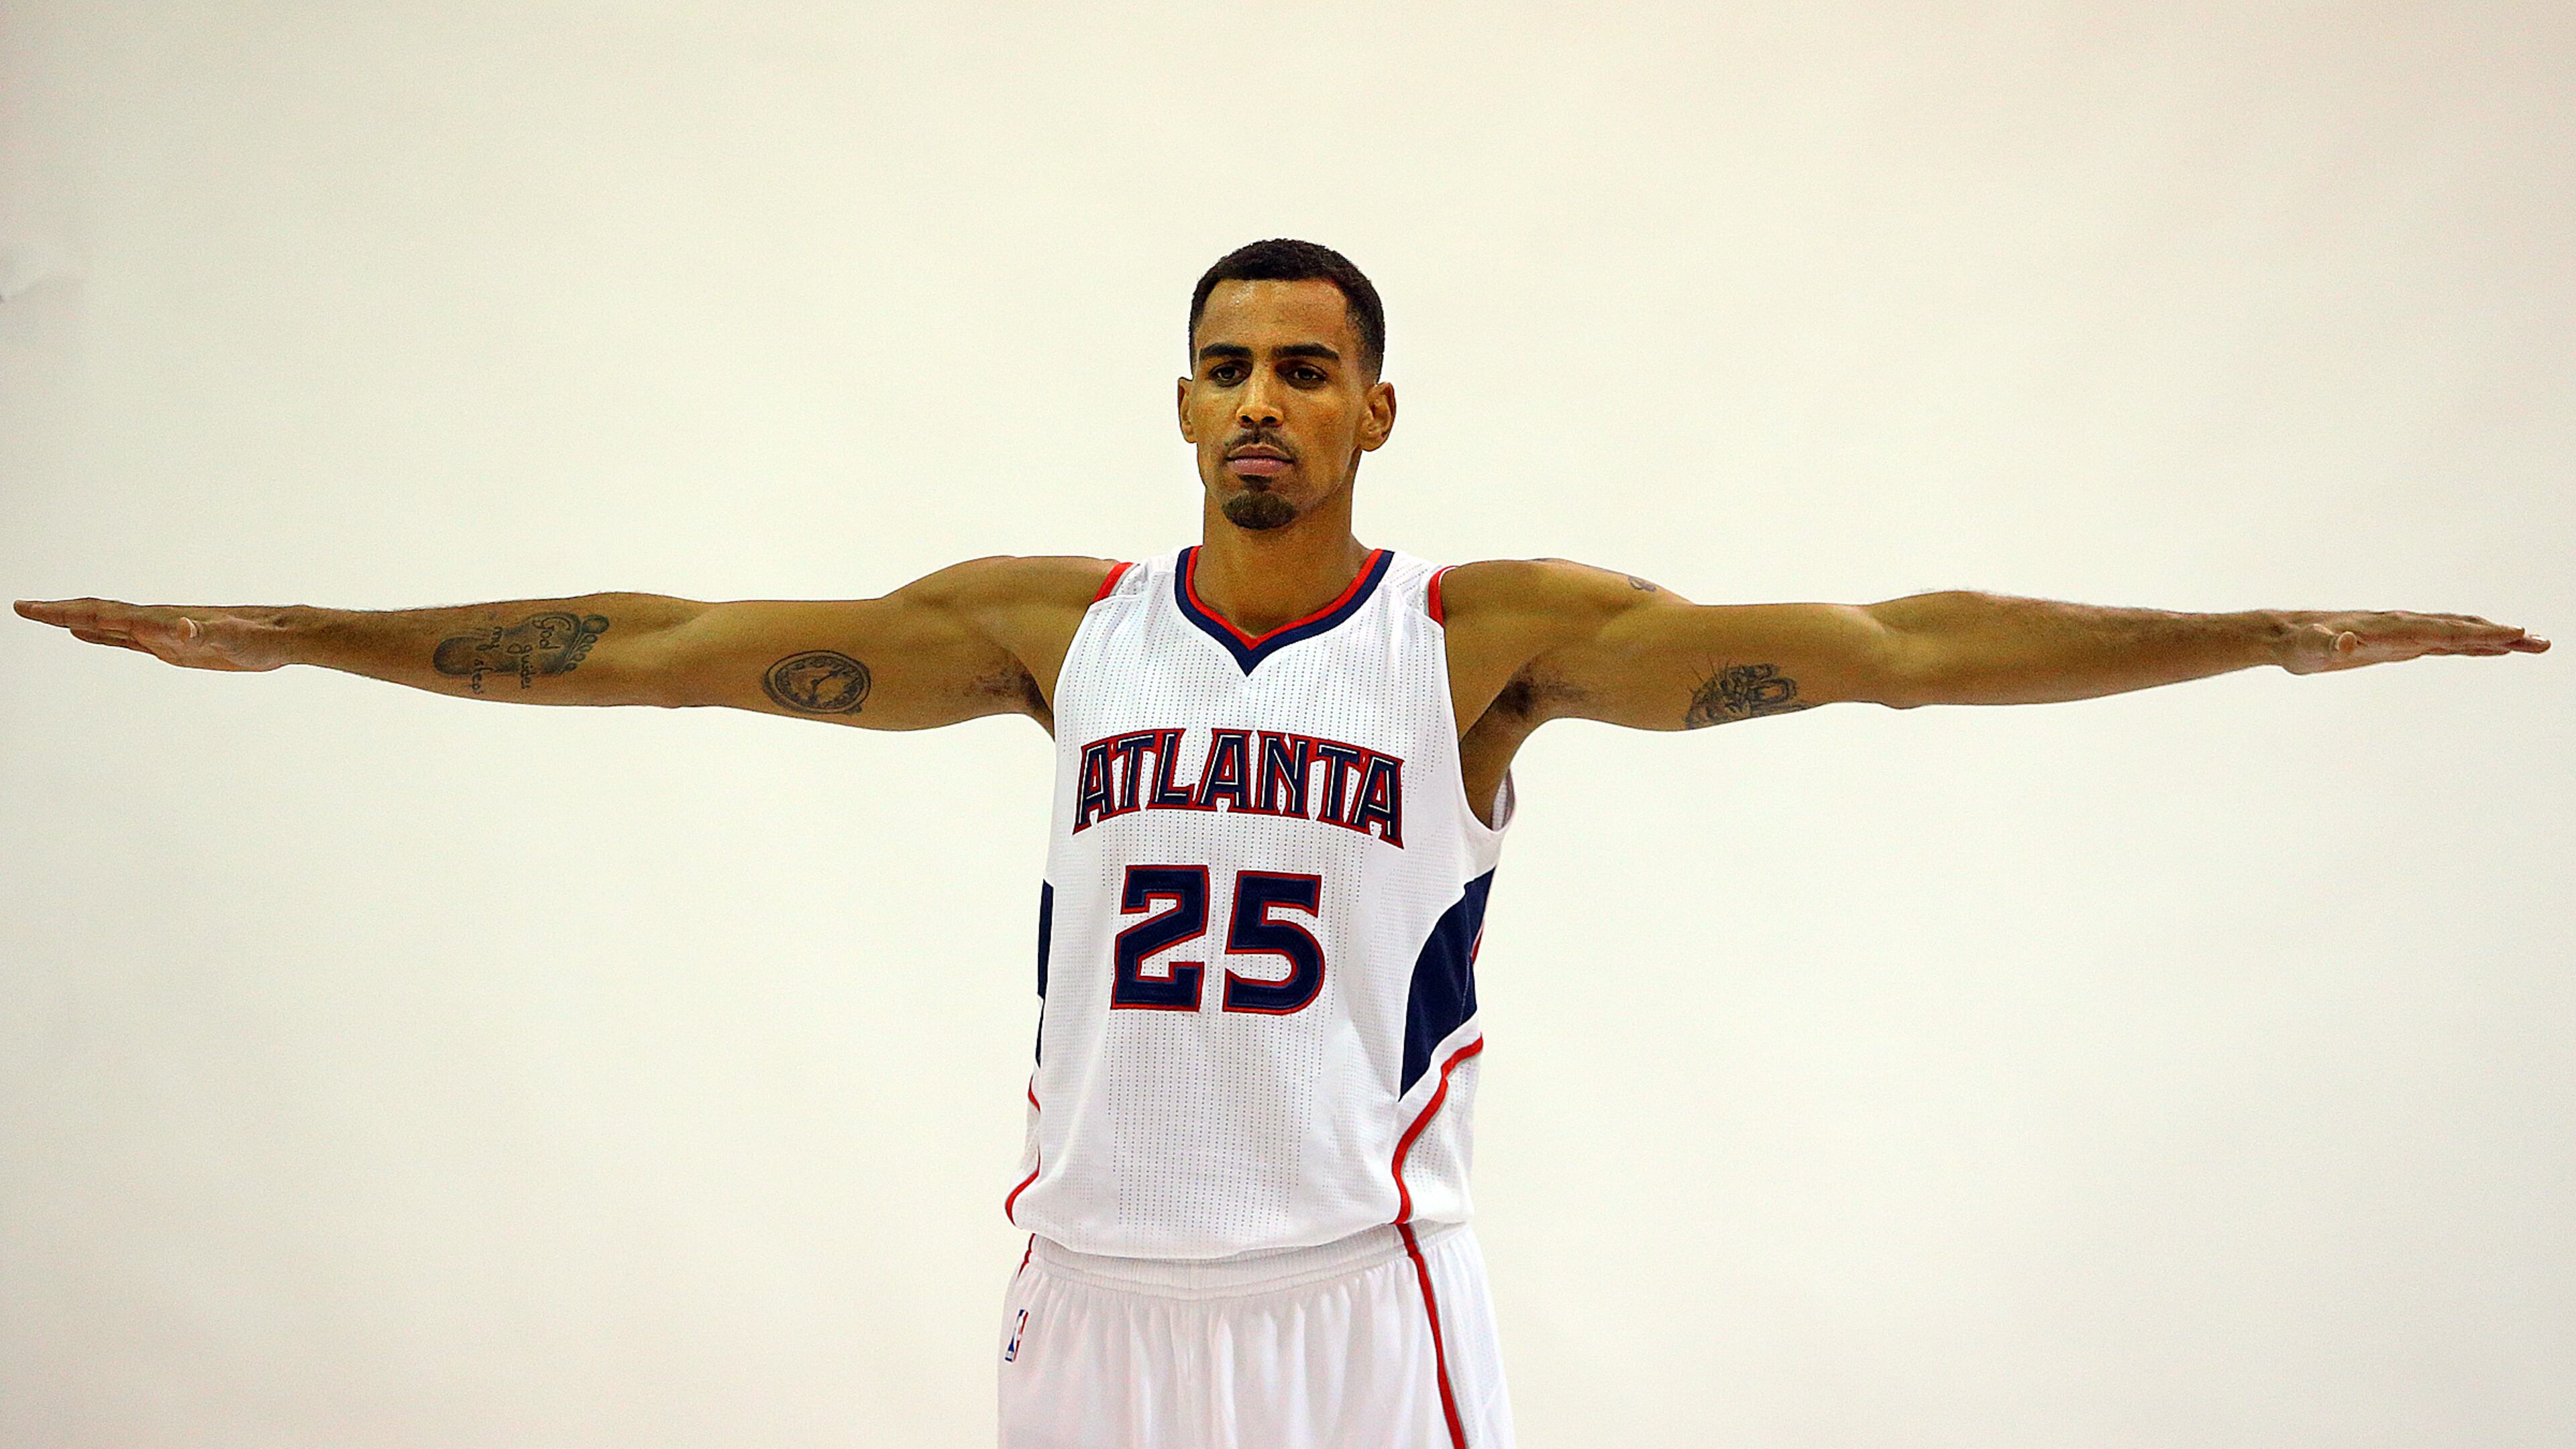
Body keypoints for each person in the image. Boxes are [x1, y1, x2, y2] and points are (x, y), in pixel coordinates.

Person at [15, 238, 2548, 1449]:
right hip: (1090, 1309)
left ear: (1375, 413)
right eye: (1225, 362)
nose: (1259, 397)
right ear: (1180, 394)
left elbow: (1887, 638)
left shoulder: (1478, 640)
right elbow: (672, 639)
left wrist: (2271, 631)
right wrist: (303, 630)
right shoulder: (1056, 627)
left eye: (1305, 370)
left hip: (1352, 1310)